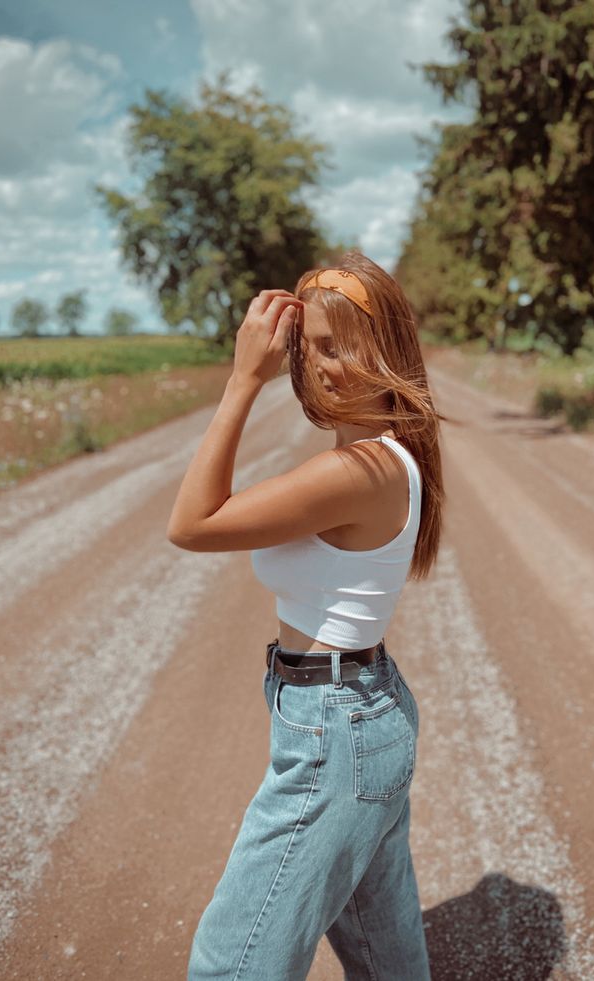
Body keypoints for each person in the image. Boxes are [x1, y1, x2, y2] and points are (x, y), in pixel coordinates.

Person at [167, 251, 447, 980]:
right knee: (389, 962)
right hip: (352, 715)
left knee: (229, 964)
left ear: (384, 347)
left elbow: (192, 522)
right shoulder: (373, 456)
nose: (322, 365)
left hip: (337, 732)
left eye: (339, 344)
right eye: (309, 345)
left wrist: (241, 381)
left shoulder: (360, 470)